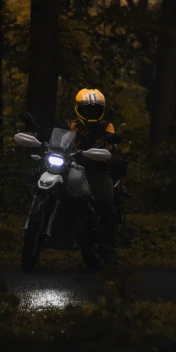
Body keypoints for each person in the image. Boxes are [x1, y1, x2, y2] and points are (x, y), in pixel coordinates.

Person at [66, 88, 127, 256]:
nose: (91, 112)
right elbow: (58, 137)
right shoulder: (72, 126)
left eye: (95, 108)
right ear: (79, 108)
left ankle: (108, 248)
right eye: (87, 108)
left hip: (98, 170)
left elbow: (113, 142)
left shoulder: (106, 126)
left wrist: (107, 146)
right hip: (73, 167)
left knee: (106, 204)